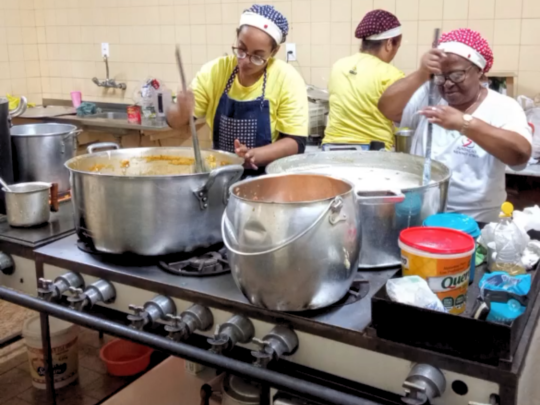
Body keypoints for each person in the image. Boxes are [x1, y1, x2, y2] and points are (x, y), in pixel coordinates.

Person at [379, 28, 532, 222]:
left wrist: (465, 124)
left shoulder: (502, 106)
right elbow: (387, 108)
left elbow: (520, 154)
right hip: (424, 212)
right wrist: (422, 73)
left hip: (476, 220)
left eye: (457, 75)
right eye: (440, 76)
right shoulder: (429, 95)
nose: (447, 84)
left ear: (479, 71)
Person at [167, 4, 308, 174]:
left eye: (257, 56)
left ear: (274, 51)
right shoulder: (215, 72)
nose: (245, 61)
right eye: (241, 49)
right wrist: (181, 110)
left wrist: (254, 155)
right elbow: (173, 122)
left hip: (266, 177)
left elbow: (296, 143)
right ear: (236, 36)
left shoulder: (286, 78)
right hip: (220, 177)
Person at [323, 9, 404, 151]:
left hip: (331, 150)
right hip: (372, 154)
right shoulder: (392, 75)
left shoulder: (338, 66)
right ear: (389, 43)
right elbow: (403, 121)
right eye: (397, 46)